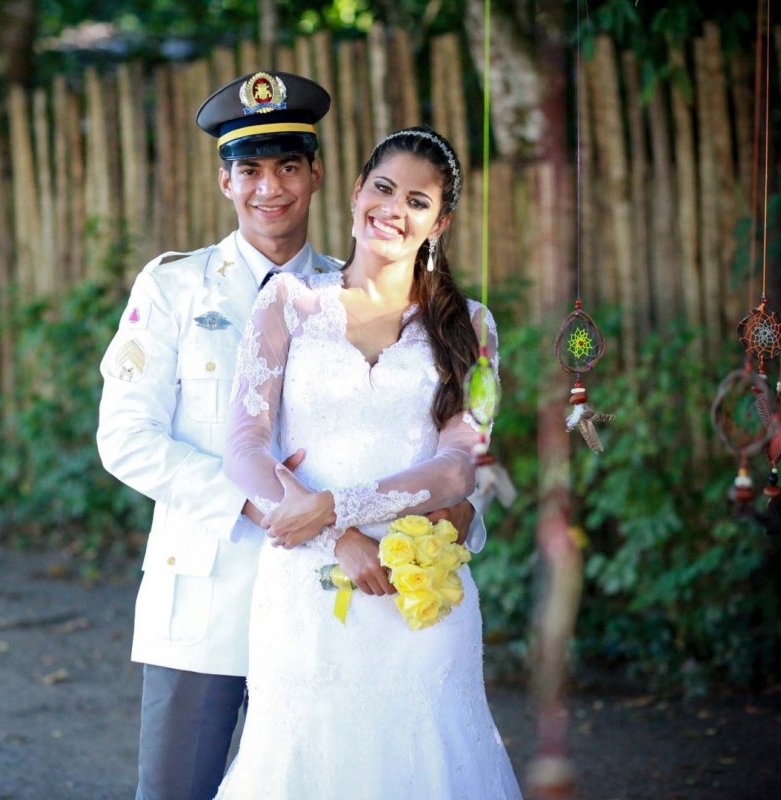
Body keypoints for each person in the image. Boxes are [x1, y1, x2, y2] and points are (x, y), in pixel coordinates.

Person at [97, 71, 483, 800]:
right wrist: (293, 516)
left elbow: (420, 442)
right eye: (250, 170)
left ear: (318, 177)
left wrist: (454, 524)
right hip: (208, 593)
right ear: (225, 182)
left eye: (287, 167)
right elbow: (126, 438)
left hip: (340, 607)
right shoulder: (175, 288)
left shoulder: (370, 292)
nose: (268, 188)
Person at [216, 127, 522, 798]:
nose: (393, 208)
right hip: (305, 588)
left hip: (423, 595)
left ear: (439, 222)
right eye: (382, 188)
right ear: (356, 193)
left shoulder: (472, 325)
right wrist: (336, 535)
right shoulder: (288, 302)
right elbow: (242, 448)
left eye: (418, 200)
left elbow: (456, 468)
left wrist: (335, 505)